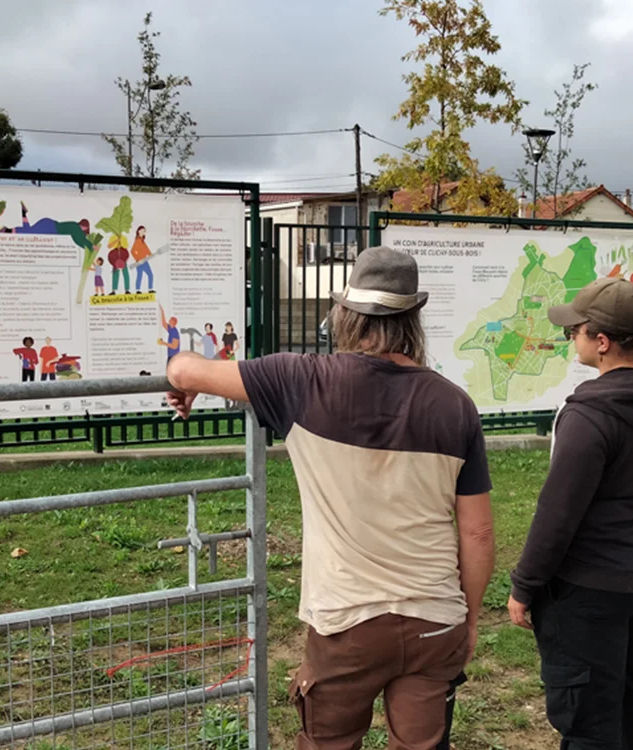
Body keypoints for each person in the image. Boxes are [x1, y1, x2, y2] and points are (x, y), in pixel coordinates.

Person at [165, 246, 495, 749]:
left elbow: (185, 369)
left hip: (347, 624)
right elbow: (477, 531)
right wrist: (468, 621)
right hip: (436, 620)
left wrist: (184, 382)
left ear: (345, 313)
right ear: (414, 319)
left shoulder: (300, 381)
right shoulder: (455, 405)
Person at [507, 278, 633, 750]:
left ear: (601, 342)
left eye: (573, 331)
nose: (569, 339)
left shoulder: (589, 416)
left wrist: (524, 586)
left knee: (589, 720)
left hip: (589, 591)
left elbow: (558, 514)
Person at [130, 225, 154, 293]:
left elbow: (145, 249)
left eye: (144, 231)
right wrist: (137, 259)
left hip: (143, 260)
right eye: (142, 230)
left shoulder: (142, 240)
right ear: (138, 231)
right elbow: (132, 251)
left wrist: (150, 254)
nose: (143, 232)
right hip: (141, 261)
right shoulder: (138, 240)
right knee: (148, 275)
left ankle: (140, 290)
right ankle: (147, 289)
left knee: (141, 275)